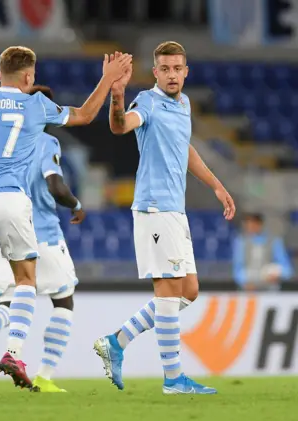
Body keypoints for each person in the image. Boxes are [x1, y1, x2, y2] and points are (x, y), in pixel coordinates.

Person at [0, 45, 131, 391]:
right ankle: (13, 352)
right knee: (26, 279)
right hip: (11, 199)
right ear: (29, 77)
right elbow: (85, 115)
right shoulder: (35, 104)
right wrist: (106, 79)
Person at [94, 42, 236, 395]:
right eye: (165, 69)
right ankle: (173, 379)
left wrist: (217, 186)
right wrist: (117, 95)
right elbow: (121, 125)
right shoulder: (147, 102)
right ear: (155, 72)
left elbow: (184, 148)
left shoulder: (184, 104)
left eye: (177, 68)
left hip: (176, 209)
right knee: (169, 291)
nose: (172, 75)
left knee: (188, 291)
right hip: (155, 207)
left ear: (186, 71)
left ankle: (117, 341)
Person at [0, 85, 85, 393]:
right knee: (63, 301)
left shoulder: (5, 142)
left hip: (8, 233)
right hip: (43, 233)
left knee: (7, 303)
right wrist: (76, 204)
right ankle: (44, 376)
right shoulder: (46, 141)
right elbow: (56, 185)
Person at [232, 213, 293, 291]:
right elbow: (237, 270)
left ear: (260, 224)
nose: (250, 228)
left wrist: (277, 274)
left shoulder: (274, 241)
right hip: (248, 290)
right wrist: (245, 282)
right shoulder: (241, 242)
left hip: (269, 290)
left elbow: (287, 270)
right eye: (248, 225)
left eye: (253, 225)